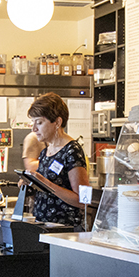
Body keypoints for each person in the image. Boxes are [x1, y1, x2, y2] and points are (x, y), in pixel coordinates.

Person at [23, 92, 89, 227]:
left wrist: (45, 183)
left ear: (57, 122)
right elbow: (46, 194)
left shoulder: (72, 151)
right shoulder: (45, 152)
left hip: (65, 231)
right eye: (33, 123)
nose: (34, 128)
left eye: (39, 122)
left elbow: (83, 201)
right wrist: (30, 184)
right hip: (44, 227)